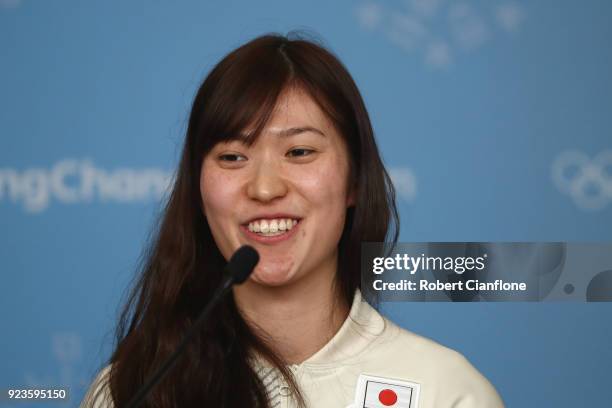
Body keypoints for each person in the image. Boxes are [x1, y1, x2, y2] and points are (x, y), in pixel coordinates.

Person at [81, 33, 504, 408]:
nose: (264, 189)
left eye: (299, 152)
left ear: (355, 179)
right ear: (197, 187)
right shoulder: (131, 391)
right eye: (232, 157)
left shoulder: (444, 392)